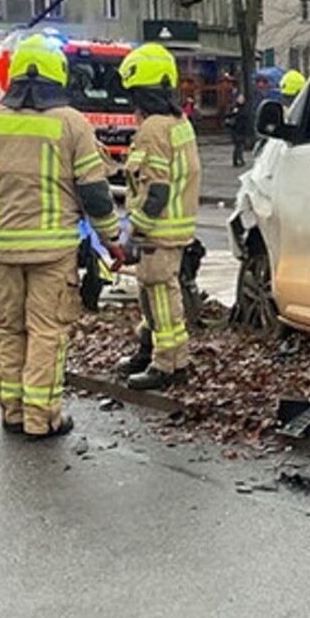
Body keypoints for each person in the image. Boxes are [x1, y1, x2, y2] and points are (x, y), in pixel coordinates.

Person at [0, 34, 120, 438]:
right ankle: (41, 417)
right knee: (47, 332)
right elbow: (95, 193)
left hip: (2, 249)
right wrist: (111, 240)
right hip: (53, 251)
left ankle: (12, 412)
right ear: (58, 75)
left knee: (8, 330)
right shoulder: (72, 123)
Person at [120, 43, 203, 392]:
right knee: (153, 294)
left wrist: (133, 230)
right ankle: (148, 348)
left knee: (161, 297)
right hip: (175, 226)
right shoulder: (179, 123)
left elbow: (156, 191)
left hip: (158, 229)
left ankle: (167, 364)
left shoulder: (153, 129)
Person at [225, 90, 251, 168]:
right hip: (235, 129)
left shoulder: (245, 107)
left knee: (241, 145)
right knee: (238, 145)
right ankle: (237, 160)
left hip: (242, 129)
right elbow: (228, 116)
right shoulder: (234, 107)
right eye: (240, 98)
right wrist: (233, 114)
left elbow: (247, 118)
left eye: (242, 98)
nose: (241, 100)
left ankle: (239, 159)